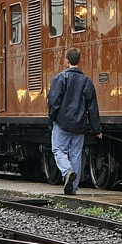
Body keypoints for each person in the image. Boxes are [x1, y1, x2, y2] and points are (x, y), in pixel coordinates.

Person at [47, 47, 101, 195]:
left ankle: (67, 171)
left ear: (67, 61)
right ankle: (73, 188)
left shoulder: (60, 79)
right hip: (80, 124)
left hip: (62, 123)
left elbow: (53, 102)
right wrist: (97, 129)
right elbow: (93, 107)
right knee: (76, 154)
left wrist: (51, 118)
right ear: (79, 60)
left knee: (58, 150)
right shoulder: (86, 81)